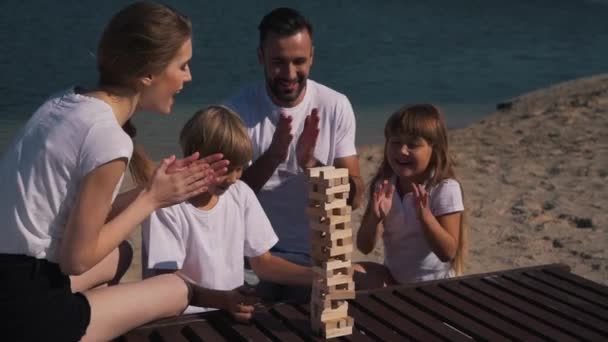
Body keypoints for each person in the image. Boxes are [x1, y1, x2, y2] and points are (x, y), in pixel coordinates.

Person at [0, 2, 229, 341]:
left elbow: (74, 222)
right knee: (177, 288)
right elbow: (76, 261)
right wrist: (149, 201)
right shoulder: (108, 139)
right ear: (148, 73)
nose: (188, 76)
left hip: (13, 278)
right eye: (182, 65)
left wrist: (158, 190)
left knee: (122, 253)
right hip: (26, 310)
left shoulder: (64, 102)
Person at [224, 7, 364, 303]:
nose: (289, 74)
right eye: (278, 63)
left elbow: (353, 196)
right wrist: (274, 156)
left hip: (311, 254)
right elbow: (226, 200)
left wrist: (312, 165)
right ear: (261, 56)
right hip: (253, 254)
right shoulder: (236, 112)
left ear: (312, 56)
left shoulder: (335, 105)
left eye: (299, 62)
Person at [142, 105, 313, 321]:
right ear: (195, 157)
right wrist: (222, 300)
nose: (233, 178)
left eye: (240, 168)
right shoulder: (168, 205)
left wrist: (319, 277)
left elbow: (264, 263)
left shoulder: (240, 194)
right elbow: (165, 283)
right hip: (180, 316)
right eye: (225, 168)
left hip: (227, 311)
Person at [355, 104, 468, 289]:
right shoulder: (384, 185)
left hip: (436, 284)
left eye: (413, 144)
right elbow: (364, 247)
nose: (402, 151)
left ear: (434, 148)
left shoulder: (444, 188)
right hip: (393, 279)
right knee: (340, 276)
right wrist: (375, 219)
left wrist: (425, 217)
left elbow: (448, 253)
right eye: (395, 142)